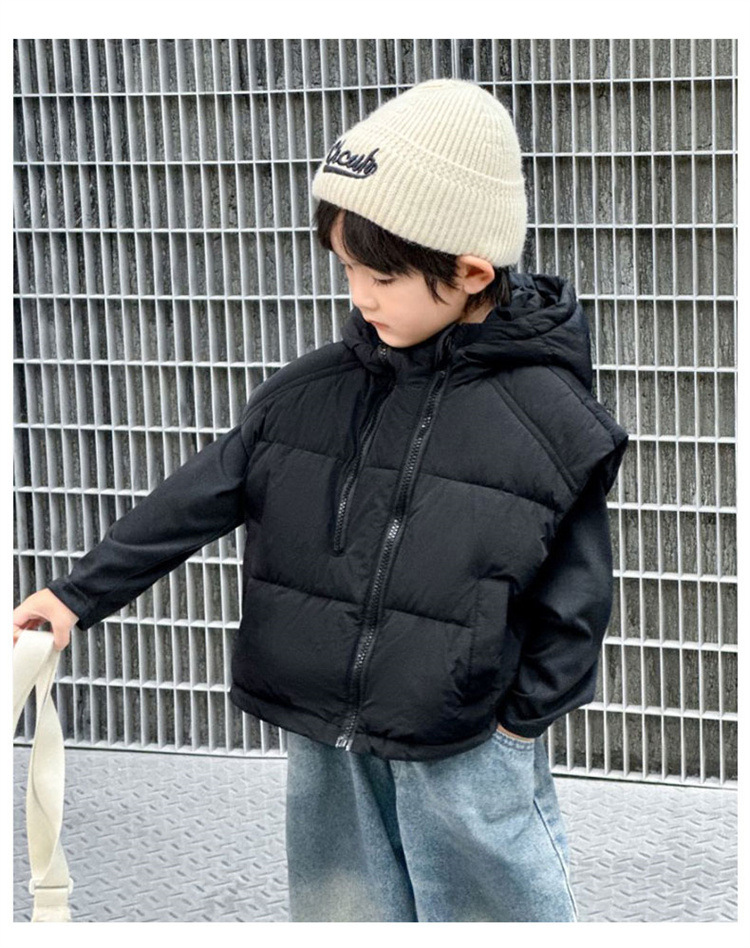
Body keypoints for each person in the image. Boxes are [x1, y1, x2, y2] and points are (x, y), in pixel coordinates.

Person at [13, 78, 629, 922]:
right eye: (347, 269)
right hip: (323, 727)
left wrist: (520, 724)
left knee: (493, 913)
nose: (358, 296)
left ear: (470, 271)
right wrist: (78, 594)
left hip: (464, 733)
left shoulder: (552, 423)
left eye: (380, 275)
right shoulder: (311, 394)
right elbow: (199, 495)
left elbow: (578, 598)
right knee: (345, 913)